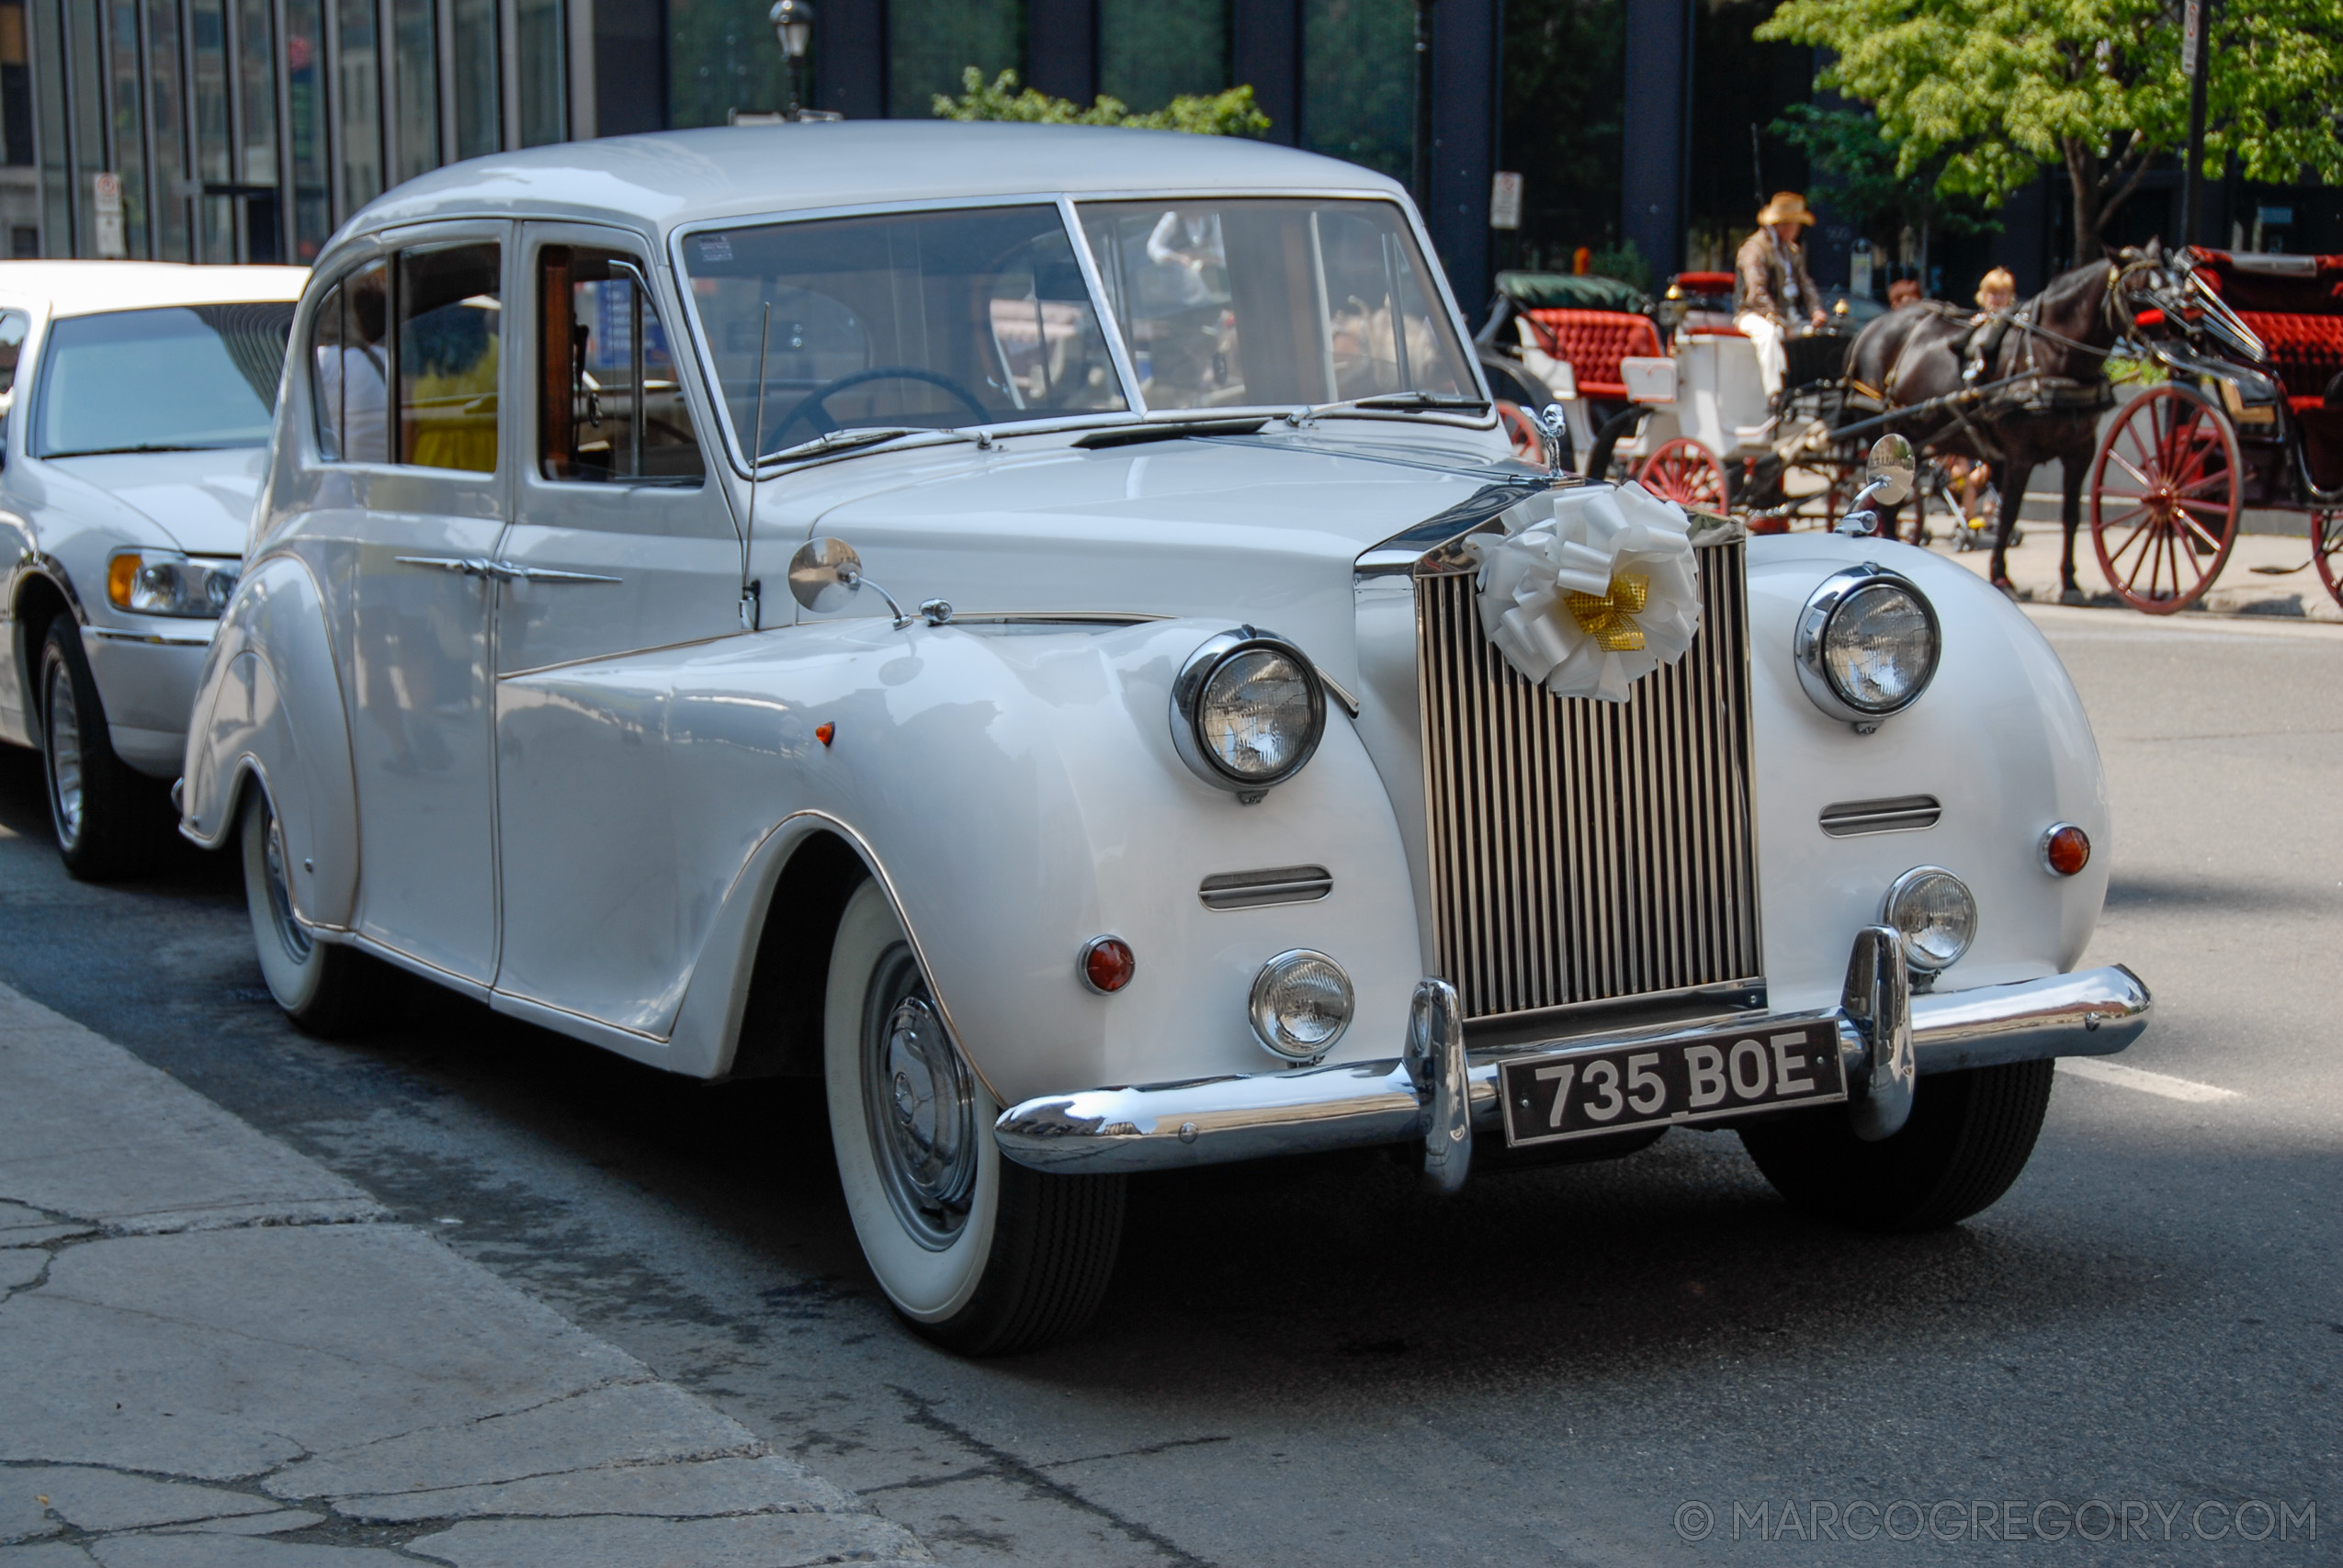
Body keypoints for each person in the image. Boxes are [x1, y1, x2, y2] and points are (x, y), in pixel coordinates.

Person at [1734, 191, 1828, 400]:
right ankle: (1775, 393)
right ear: (1786, 224)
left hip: (1786, 315)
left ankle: (1809, 392)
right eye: (1796, 224)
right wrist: (1778, 320)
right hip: (1752, 314)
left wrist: (1816, 311)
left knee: (1814, 338)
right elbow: (1756, 291)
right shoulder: (1754, 249)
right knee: (1768, 335)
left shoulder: (1792, 252)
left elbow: (1806, 285)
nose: (1797, 229)